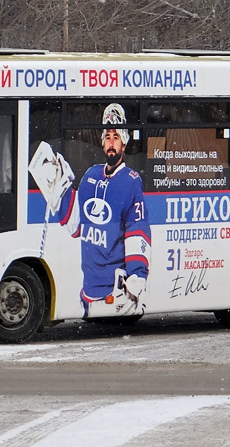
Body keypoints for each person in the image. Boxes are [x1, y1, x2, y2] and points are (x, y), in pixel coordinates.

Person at [42, 103, 151, 317]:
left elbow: (137, 229)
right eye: (108, 137)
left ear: (124, 143)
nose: (111, 143)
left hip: (117, 293)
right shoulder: (91, 176)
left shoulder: (131, 181)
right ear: (102, 142)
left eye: (116, 137)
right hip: (87, 293)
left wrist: (137, 274)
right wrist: (59, 191)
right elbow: (76, 226)